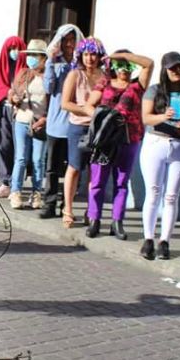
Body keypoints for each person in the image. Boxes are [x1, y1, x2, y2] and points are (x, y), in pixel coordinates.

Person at [83, 50, 154, 239]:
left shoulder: (137, 85)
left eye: (127, 66)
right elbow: (89, 105)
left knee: (121, 183)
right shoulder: (105, 83)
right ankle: (94, 219)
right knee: (98, 181)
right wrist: (101, 118)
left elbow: (149, 63)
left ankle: (117, 222)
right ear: (113, 67)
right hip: (106, 139)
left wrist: (124, 55)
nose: (124, 69)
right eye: (120, 65)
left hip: (129, 138)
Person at [139, 51, 180, 260]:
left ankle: (165, 241)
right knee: (153, 192)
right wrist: (164, 116)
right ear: (164, 70)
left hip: (179, 145)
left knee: (171, 196)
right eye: (171, 68)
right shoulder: (155, 90)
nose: (176, 71)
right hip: (156, 142)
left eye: (179, 67)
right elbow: (146, 118)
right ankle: (148, 239)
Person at [61, 37, 107, 228]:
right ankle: (68, 210)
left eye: (93, 54)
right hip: (78, 126)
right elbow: (66, 103)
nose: (90, 59)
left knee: (94, 170)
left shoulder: (105, 76)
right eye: (86, 54)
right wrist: (88, 111)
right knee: (74, 167)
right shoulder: (75, 75)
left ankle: (91, 211)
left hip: (99, 128)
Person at [40, 24, 84, 219]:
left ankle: (68, 204)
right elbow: (48, 87)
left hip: (76, 123)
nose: (69, 44)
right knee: (52, 168)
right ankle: (49, 203)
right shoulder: (55, 64)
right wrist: (50, 60)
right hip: (56, 123)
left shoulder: (81, 65)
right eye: (65, 40)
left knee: (73, 167)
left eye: (72, 40)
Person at [8, 39, 48, 209]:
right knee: (21, 158)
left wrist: (44, 120)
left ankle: (37, 193)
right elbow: (12, 93)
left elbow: (54, 101)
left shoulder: (49, 76)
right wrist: (14, 98)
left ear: (43, 58)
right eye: (29, 55)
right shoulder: (23, 73)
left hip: (40, 123)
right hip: (22, 120)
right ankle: (15, 191)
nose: (31, 58)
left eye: (35, 55)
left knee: (38, 159)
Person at [0, 36, 27, 197]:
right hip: (4, 109)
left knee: (19, 147)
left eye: (17, 49)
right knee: (4, 145)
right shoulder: (1, 66)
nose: (14, 52)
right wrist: (9, 93)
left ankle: (15, 182)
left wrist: (17, 95)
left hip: (21, 110)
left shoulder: (26, 68)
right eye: (10, 49)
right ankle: (5, 180)